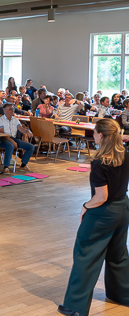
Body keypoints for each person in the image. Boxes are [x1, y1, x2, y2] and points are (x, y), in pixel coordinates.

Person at [58, 118, 129, 316]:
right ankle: (122, 295)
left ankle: (75, 307)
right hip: (123, 209)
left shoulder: (99, 163)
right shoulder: (125, 155)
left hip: (102, 214)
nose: (93, 135)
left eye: (95, 132)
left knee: (85, 256)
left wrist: (85, 206)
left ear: (102, 135)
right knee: (118, 255)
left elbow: (101, 197)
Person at [0, 103, 34, 174]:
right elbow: (2, 134)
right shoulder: (0, 120)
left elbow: (21, 129)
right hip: (2, 138)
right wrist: (11, 141)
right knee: (10, 146)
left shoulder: (15, 119)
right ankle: (6, 167)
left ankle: (23, 165)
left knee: (30, 146)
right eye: (10, 109)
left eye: (13, 109)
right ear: (5, 110)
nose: (12, 110)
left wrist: (27, 130)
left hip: (12, 138)